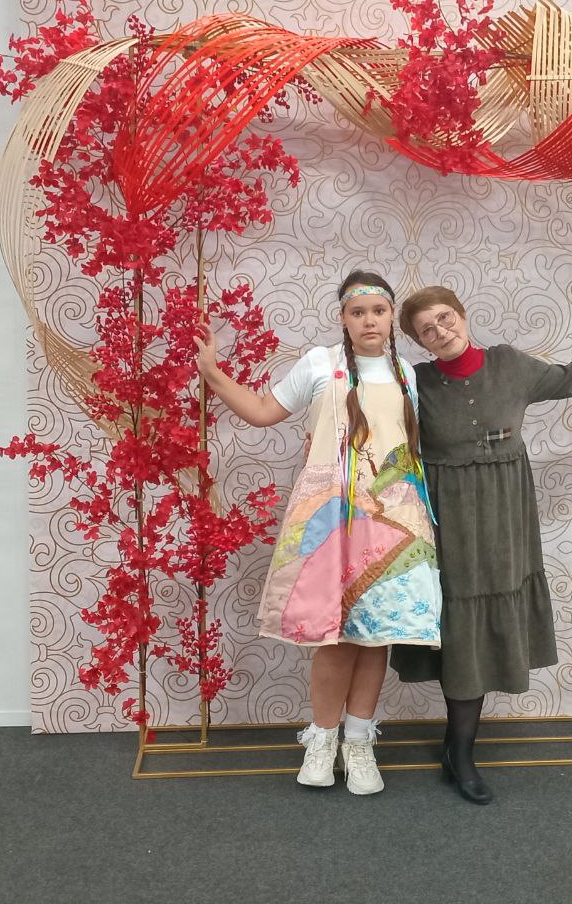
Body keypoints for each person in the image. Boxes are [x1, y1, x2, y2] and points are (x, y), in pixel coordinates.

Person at [390, 286, 572, 805]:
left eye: (445, 318)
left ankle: (458, 748)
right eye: (427, 330)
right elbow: (376, 427)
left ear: (462, 315)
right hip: (445, 519)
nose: (441, 331)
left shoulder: (509, 363)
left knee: (489, 618)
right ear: (419, 342)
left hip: (506, 516)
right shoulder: (414, 382)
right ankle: (460, 752)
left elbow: (568, 378)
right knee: (459, 623)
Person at [195, 271, 440, 796]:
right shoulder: (319, 364)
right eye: (358, 312)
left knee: (375, 634)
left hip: (394, 515)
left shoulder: (407, 374)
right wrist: (213, 373)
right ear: (343, 318)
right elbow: (263, 411)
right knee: (335, 635)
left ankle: (360, 741)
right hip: (332, 516)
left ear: (390, 317)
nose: (369, 321)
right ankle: (323, 740)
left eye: (378, 311)